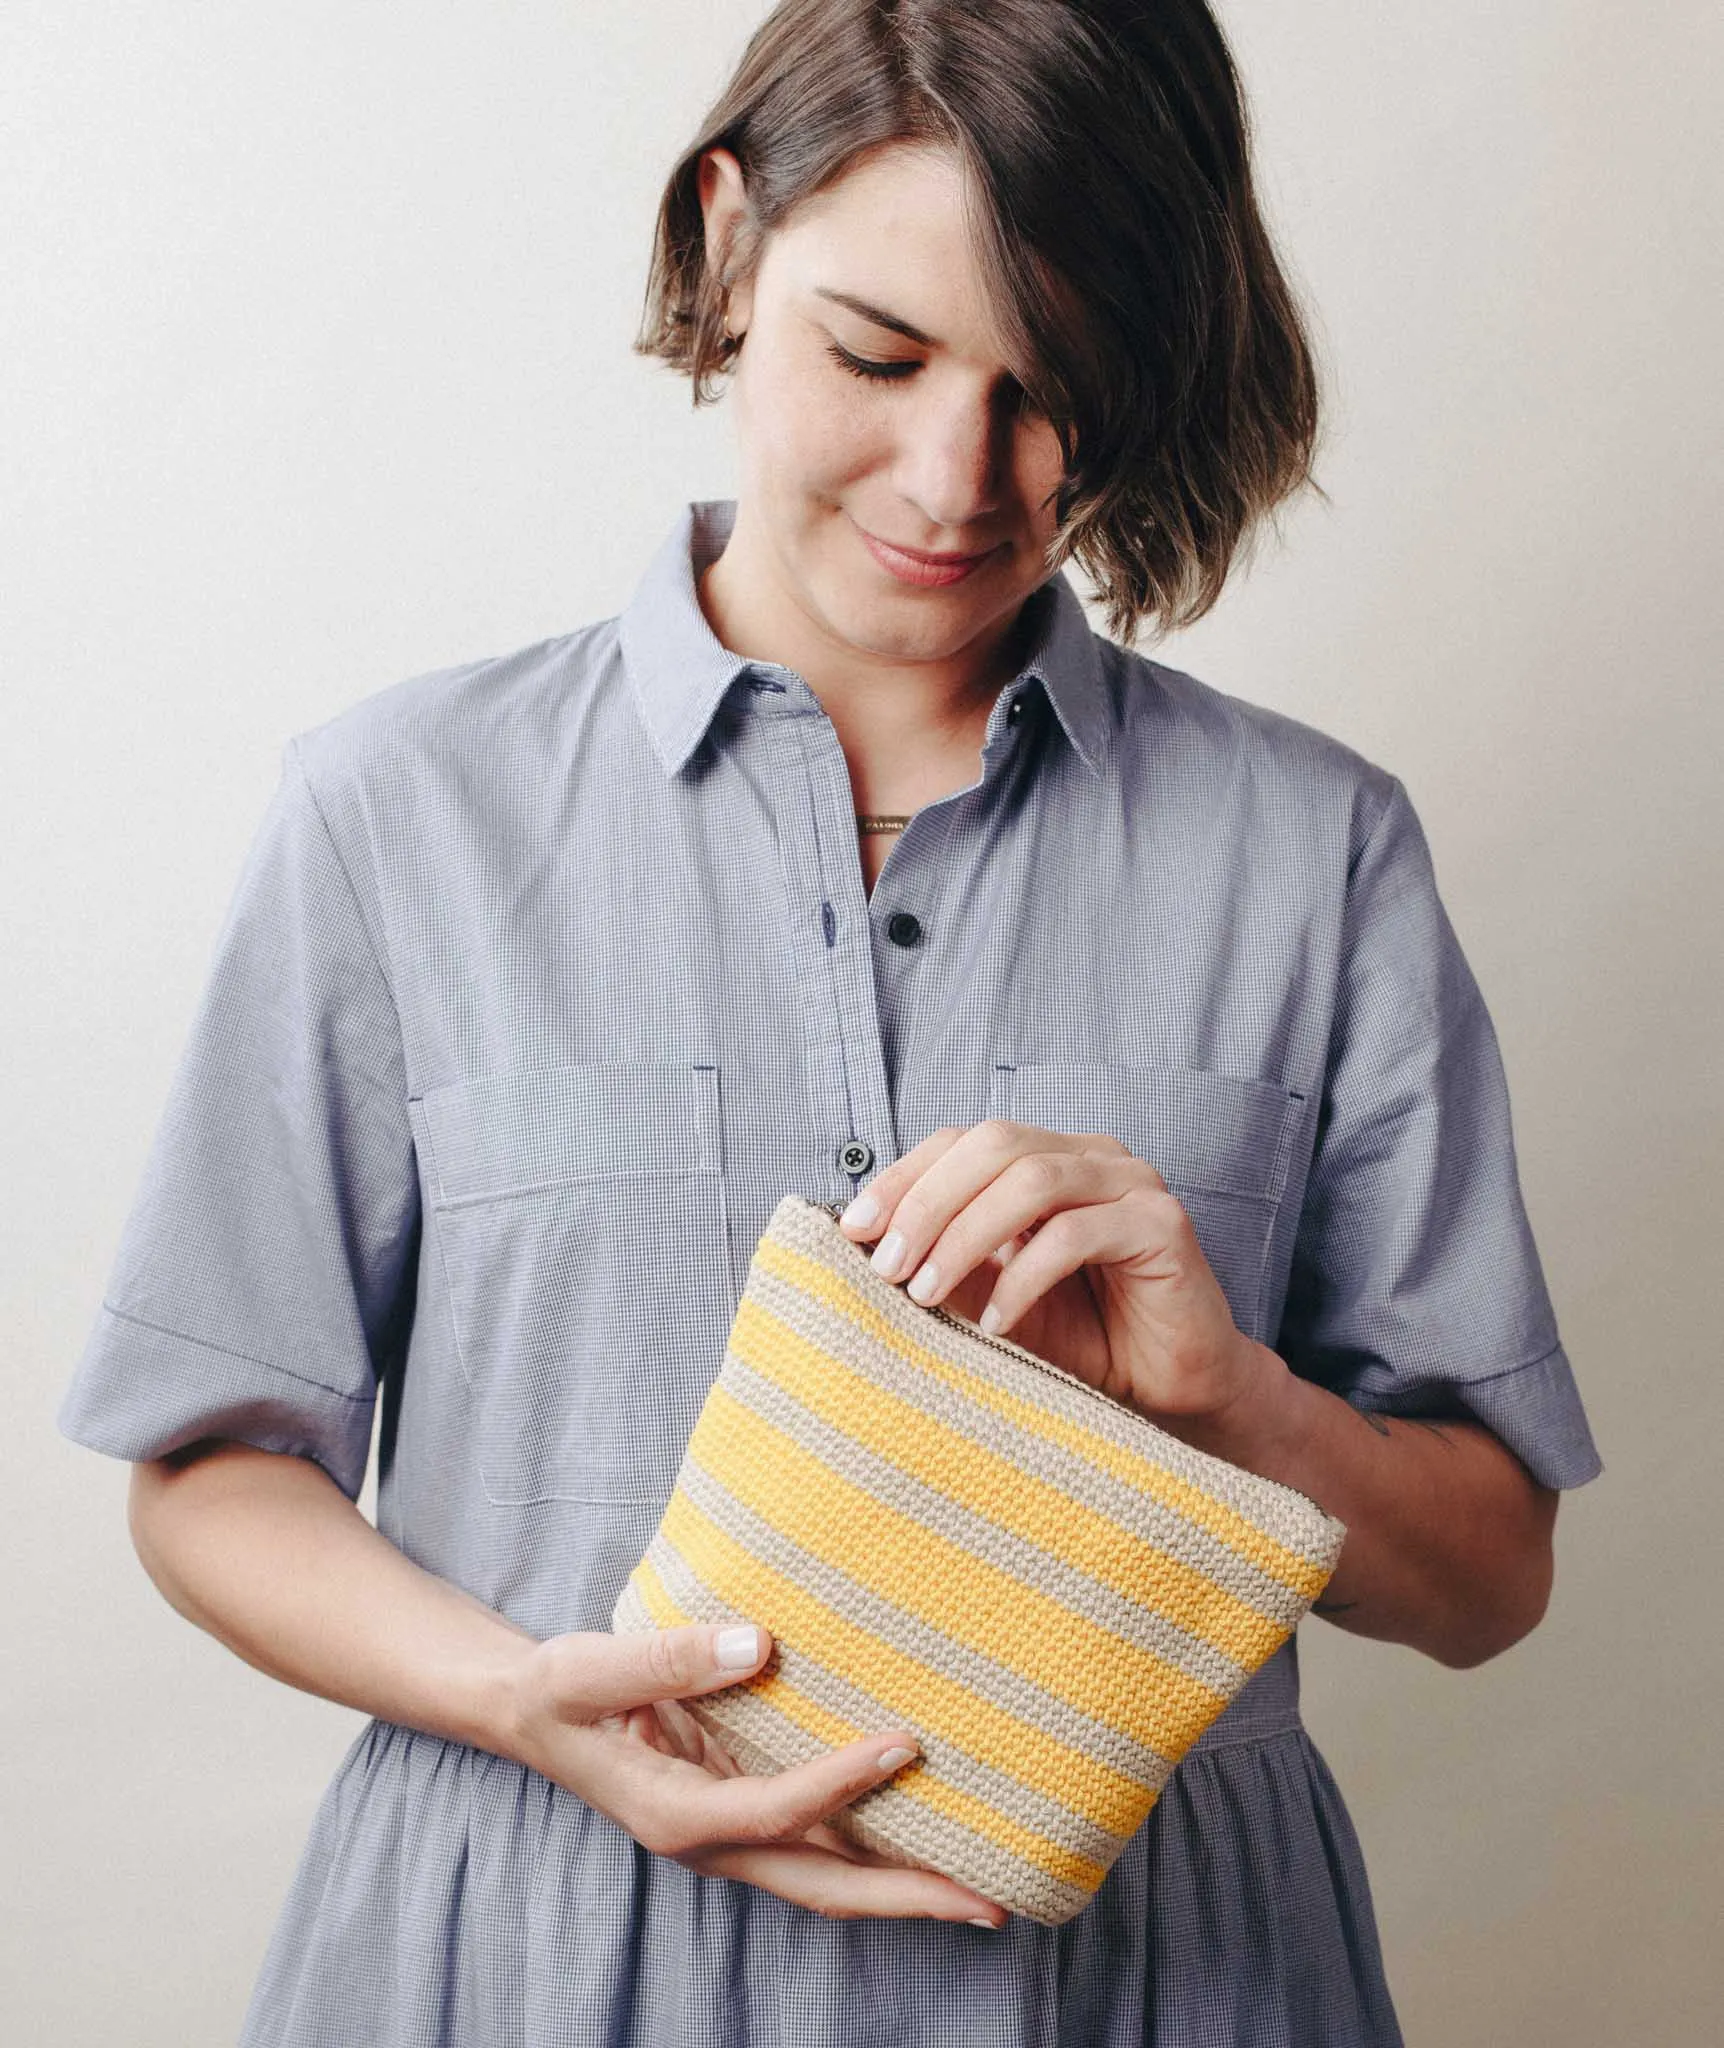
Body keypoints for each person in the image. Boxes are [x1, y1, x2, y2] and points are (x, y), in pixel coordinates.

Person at [58, 3, 1605, 2042]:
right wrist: (521, 1699)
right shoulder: (393, 812)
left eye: (1054, 390)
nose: (955, 477)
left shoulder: (1312, 854)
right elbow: (208, 1467)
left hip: (1162, 1986)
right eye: (875, 356)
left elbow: (1487, 1576)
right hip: (533, 1969)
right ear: (724, 246)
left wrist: (1227, 1393)